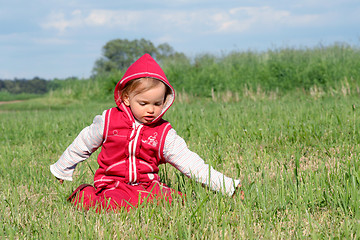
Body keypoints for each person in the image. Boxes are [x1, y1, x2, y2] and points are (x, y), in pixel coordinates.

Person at [50, 53, 242, 212]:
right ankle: (86, 194)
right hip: (113, 185)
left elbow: (191, 163)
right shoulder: (108, 121)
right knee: (112, 204)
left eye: (157, 104)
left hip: (147, 186)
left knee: (176, 202)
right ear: (126, 98)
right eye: (143, 103)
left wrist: (227, 186)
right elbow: (83, 144)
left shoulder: (163, 133)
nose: (151, 110)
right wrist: (63, 168)